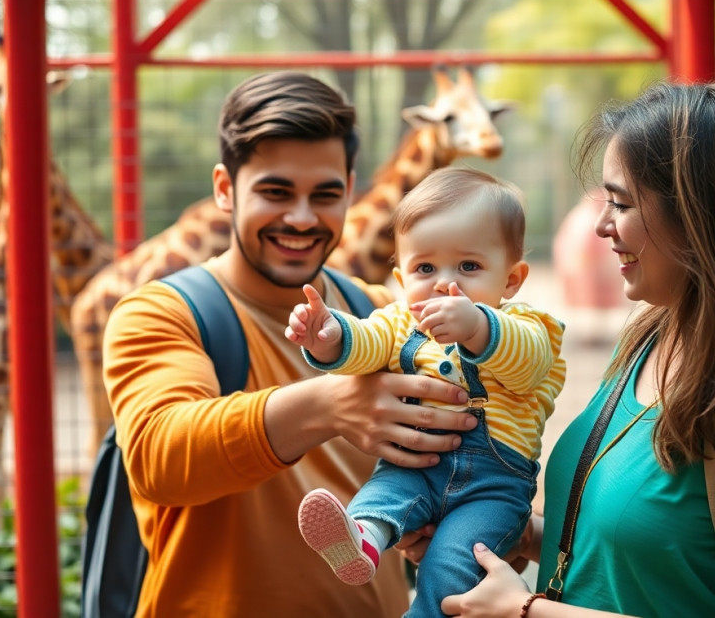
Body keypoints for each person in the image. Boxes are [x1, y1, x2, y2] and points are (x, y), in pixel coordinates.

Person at [397, 81, 715, 618]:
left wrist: (527, 612)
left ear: (702, 214)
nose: (603, 226)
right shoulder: (655, 333)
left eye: (622, 203)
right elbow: (654, 555)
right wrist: (504, 540)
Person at [101, 71, 480, 617]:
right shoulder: (160, 313)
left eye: (324, 195)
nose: (302, 218)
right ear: (225, 189)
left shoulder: (383, 311)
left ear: (351, 189)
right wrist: (331, 406)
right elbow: (158, 457)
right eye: (276, 192)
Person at [286, 166, 566, 618]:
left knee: (452, 562)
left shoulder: (531, 327)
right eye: (425, 267)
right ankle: (362, 542)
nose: (443, 282)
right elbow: (368, 342)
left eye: (469, 267)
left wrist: (477, 326)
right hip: (416, 465)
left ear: (511, 279)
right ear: (400, 278)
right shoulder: (400, 321)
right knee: (382, 497)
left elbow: (528, 367)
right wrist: (330, 336)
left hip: (493, 485)